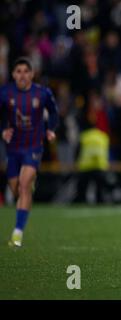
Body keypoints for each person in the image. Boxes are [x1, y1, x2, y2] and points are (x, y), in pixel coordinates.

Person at [0, 57, 58, 247]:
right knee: (16, 189)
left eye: (26, 71)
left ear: (32, 74)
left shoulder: (42, 93)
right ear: (13, 74)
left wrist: (51, 128)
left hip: (33, 145)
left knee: (24, 185)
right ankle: (27, 190)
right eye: (19, 71)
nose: (22, 75)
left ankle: (17, 233)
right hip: (13, 147)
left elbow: (54, 111)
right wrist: (3, 130)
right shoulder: (5, 93)